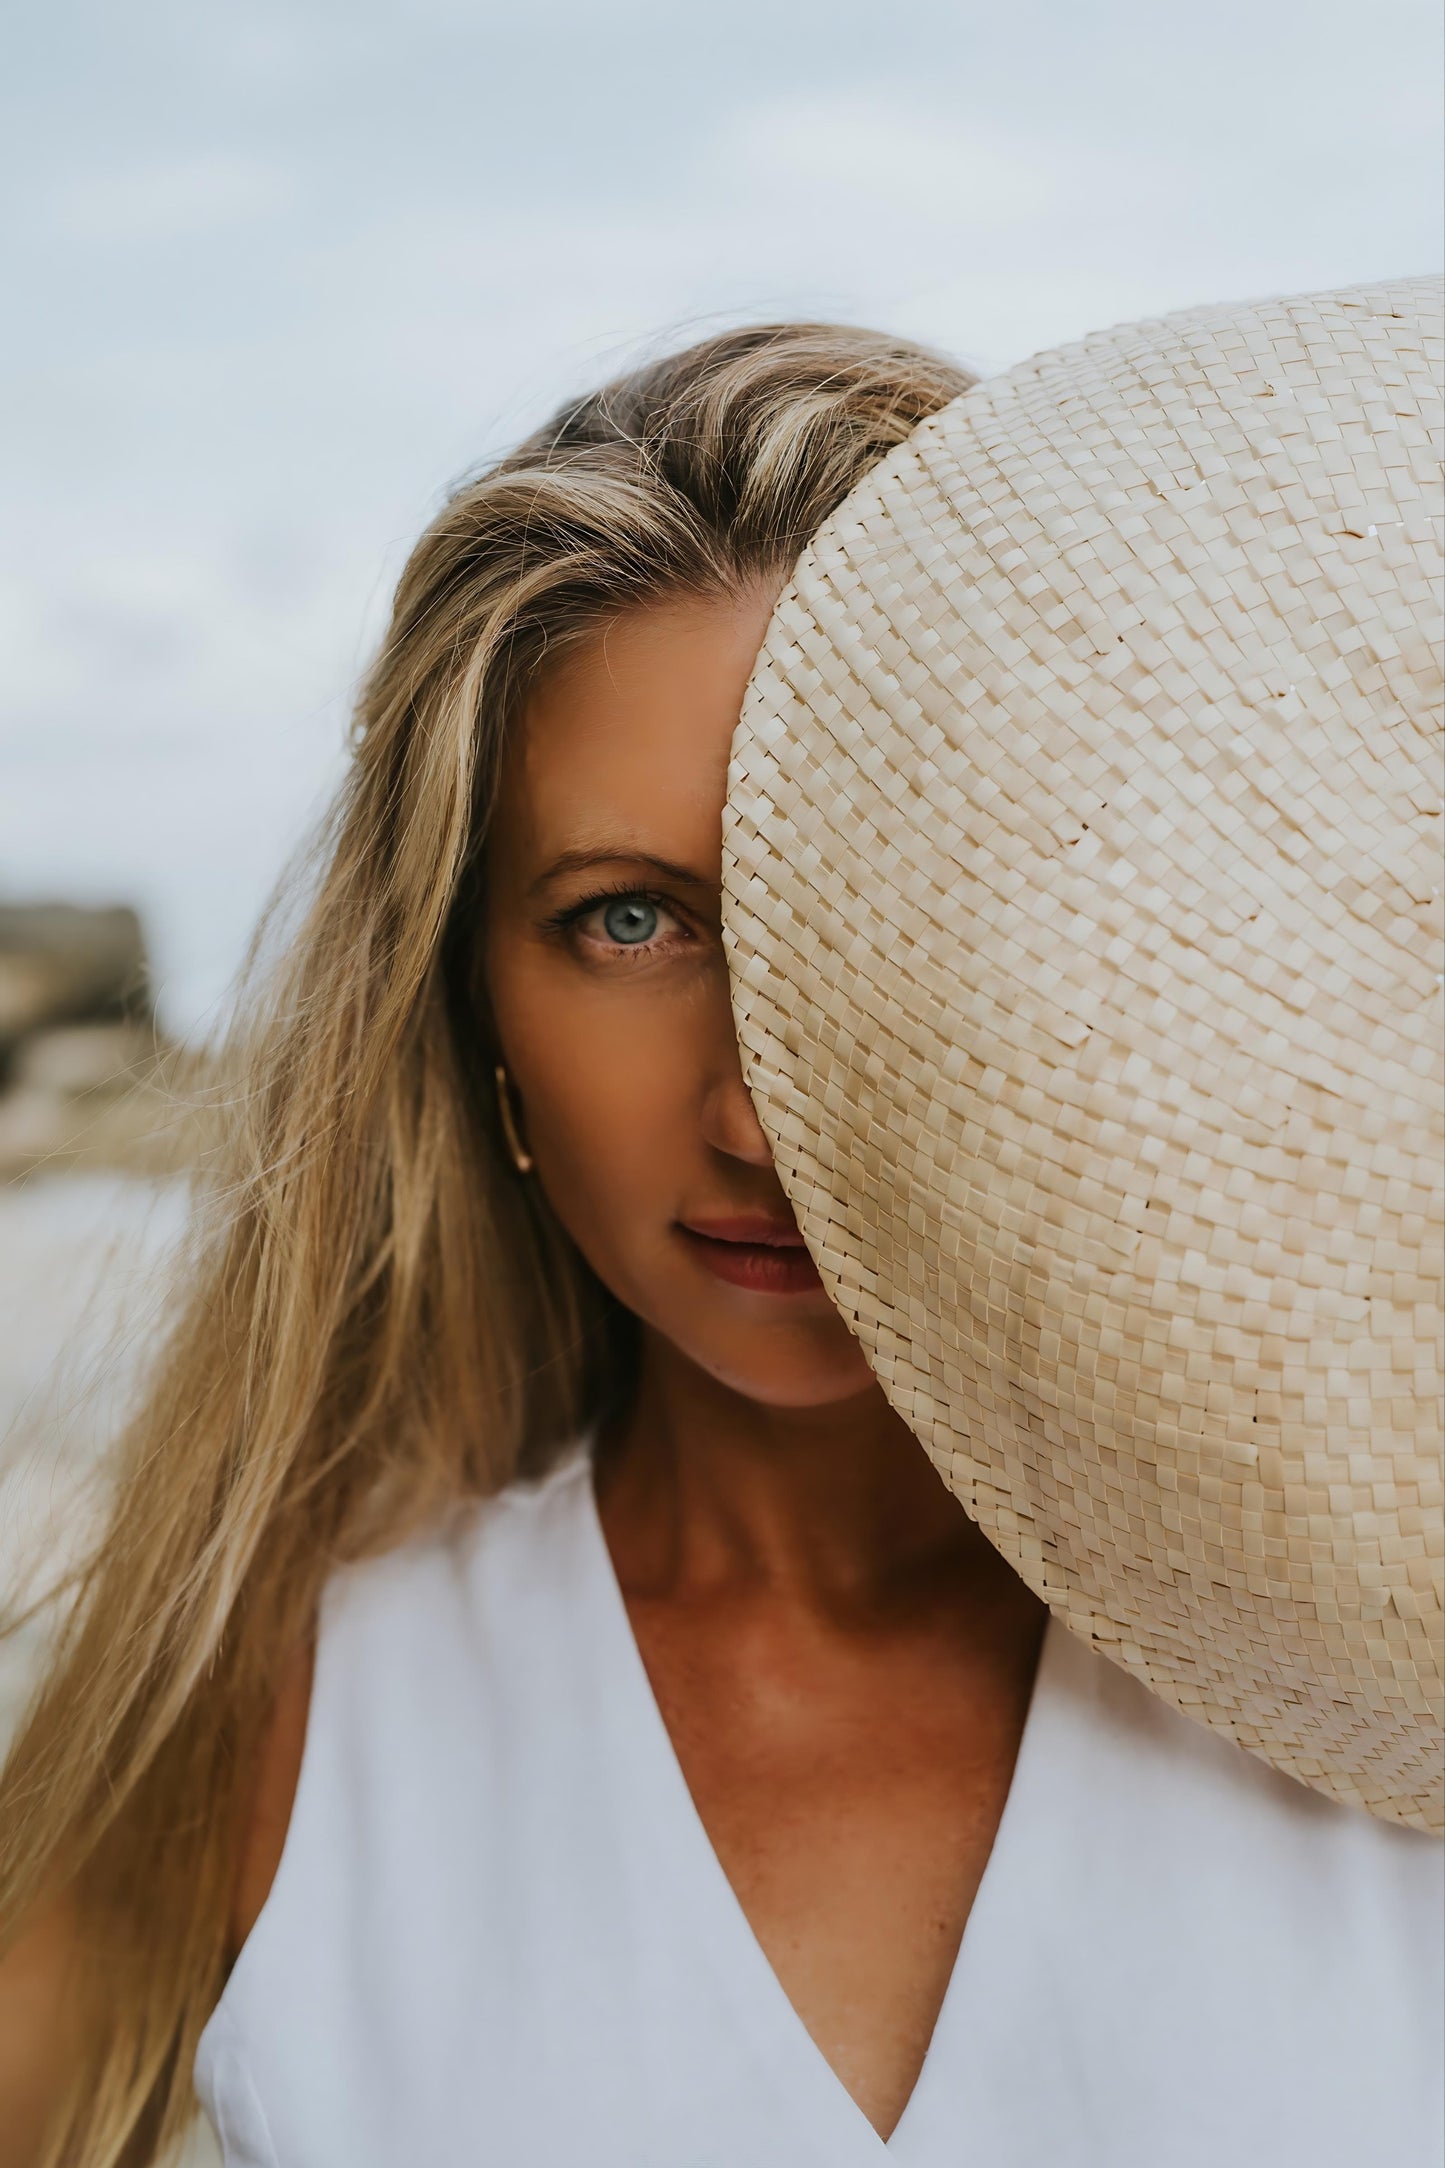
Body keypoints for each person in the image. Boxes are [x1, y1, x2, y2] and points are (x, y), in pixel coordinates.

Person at [0, 320, 1438, 2168]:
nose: (760, 1112)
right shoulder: (281, 1716)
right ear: (469, 1016)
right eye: (626, 922)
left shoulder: (1387, 1664)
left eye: (868, 898)